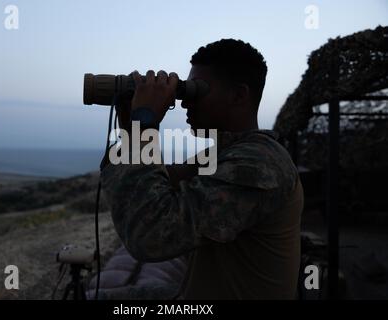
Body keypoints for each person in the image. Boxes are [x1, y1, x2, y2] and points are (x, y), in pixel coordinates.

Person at [100, 39, 304, 299]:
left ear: (238, 95)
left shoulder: (259, 165)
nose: (185, 102)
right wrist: (131, 129)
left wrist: (145, 122)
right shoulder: (222, 155)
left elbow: (151, 234)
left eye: (196, 90)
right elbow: (152, 188)